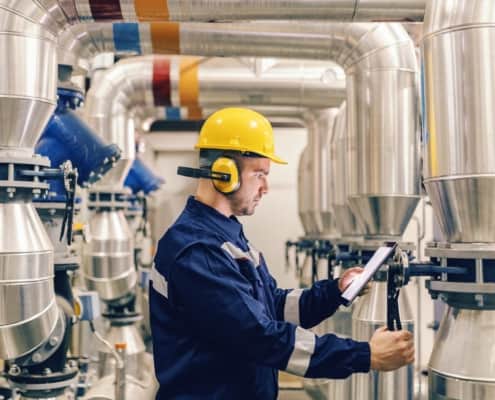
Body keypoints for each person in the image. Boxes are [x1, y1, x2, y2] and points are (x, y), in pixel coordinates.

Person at [150, 107, 414, 400]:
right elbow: (259, 337)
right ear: (225, 173)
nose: (265, 187)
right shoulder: (198, 250)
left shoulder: (225, 234)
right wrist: (365, 355)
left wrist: (334, 291)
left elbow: (272, 305)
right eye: (260, 174)